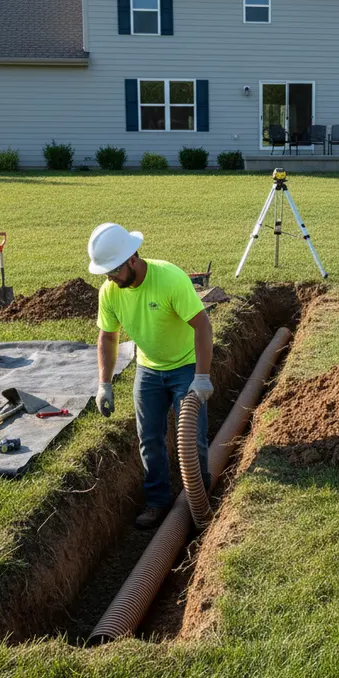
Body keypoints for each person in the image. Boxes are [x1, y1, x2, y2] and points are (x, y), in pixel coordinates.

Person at [87, 223, 213, 529]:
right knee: (149, 439)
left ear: (132, 259)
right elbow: (107, 337)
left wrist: (202, 376)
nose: (110, 278)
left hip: (185, 367)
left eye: (113, 271)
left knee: (192, 439)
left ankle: (201, 499)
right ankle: (158, 501)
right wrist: (104, 383)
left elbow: (202, 326)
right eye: (105, 273)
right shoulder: (110, 291)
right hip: (149, 368)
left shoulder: (170, 279)